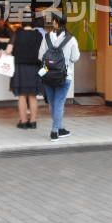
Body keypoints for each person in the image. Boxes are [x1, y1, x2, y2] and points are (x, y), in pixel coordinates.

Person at [38, 13, 80, 142]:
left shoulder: (46, 37)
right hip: (64, 76)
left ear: (56, 22)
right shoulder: (71, 39)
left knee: (53, 103)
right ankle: (55, 131)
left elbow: (40, 56)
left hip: (48, 74)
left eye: (53, 20)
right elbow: (75, 58)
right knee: (59, 103)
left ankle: (60, 128)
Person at [5, 18, 43, 129]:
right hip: (34, 68)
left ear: (22, 23)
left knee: (22, 95)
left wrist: (5, 53)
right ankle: (33, 122)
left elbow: (8, 50)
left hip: (20, 68)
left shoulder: (17, 34)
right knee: (32, 96)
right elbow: (43, 52)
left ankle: (23, 121)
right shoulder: (38, 35)